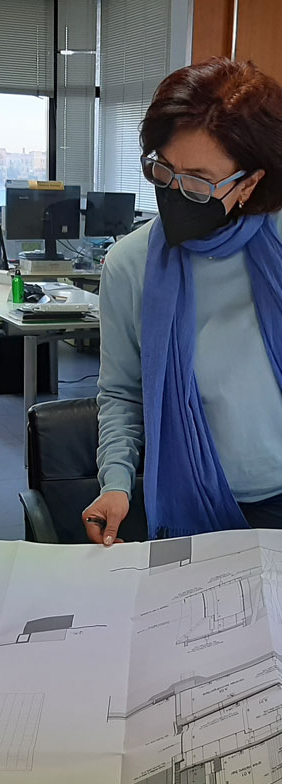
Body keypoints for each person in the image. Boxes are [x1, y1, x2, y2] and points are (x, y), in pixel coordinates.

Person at [83, 57, 282, 546]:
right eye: (163, 170)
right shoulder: (130, 265)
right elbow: (122, 393)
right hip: (195, 500)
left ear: (249, 183)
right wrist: (115, 482)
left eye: (197, 181)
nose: (174, 193)